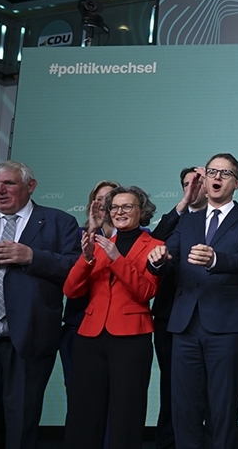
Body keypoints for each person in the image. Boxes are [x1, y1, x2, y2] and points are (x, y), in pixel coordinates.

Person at [147, 153, 238, 449]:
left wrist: (215, 260)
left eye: (225, 173)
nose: (217, 177)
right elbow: (168, 255)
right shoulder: (188, 220)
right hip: (184, 325)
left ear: (237, 183)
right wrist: (158, 259)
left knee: (222, 407)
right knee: (183, 405)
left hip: (226, 325)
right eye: (212, 172)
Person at [62, 185, 163, 449]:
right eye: (115, 207)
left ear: (142, 211)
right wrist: (86, 258)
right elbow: (71, 290)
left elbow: (146, 291)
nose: (119, 212)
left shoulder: (156, 246)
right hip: (90, 336)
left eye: (127, 206)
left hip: (131, 337)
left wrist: (117, 259)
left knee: (126, 412)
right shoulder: (98, 245)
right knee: (83, 412)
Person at [0, 160, 81, 448]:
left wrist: (32, 257)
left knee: (21, 423)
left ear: (30, 186)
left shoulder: (59, 222)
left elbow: (75, 268)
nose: (0, 191)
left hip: (28, 338)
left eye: (9, 183)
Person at [150, 167, 207, 449]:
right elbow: (153, 244)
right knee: (172, 386)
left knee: (208, 390)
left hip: (211, 316)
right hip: (170, 316)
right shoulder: (176, 219)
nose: (192, 187)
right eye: (187, 184)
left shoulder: (226, 219)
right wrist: (184, 203)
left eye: (198, 182)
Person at [61, 180, 119, 393]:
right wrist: (93, 234)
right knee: (80, 393)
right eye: (99, 199)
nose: (104, 204)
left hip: (118, 327)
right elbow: (72, 281)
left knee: (116, 393)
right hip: (79, 323)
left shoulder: (137, 236)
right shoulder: (78, 235)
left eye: (110, 198)